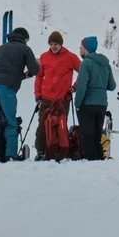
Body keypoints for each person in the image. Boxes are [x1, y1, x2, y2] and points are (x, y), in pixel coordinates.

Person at [0, 27, 39, 162]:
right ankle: (10, 154)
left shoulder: (0, 49)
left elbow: (4, 68)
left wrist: (20, 75)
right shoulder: (25, 49)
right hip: (6, 88)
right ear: (25, 38)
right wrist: (28, 73)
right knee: (10, 121)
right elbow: (35, 69)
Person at [34, 31, 81, 161]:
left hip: (62, 99)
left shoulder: (70, 57)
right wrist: (38, 95)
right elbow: (39, 77)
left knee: (61, 126)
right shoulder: (44, 57)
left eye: (56, 44)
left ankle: (60, 151)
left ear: (61, 44)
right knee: (43, 126)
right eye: (51, 44)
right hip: (46, 98)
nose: (53, 46)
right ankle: (41, 151)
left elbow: (83, 71)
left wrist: (75, 86)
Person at [75, 36, 118, 161]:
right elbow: (112, 86)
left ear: (87, 49)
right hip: (102, 104)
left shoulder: (86, 63)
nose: (79, 49)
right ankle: (99, 160)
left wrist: (77, 103)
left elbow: (81, 85)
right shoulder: (105, 64)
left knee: (87, 136)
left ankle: (92, 162)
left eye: (81, 47)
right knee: (97, 136)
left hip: (87, 104)